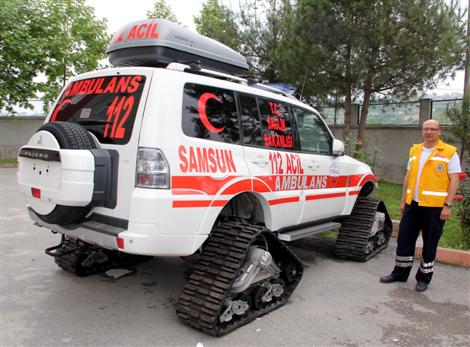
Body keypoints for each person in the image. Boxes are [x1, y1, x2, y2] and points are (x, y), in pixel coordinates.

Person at [380, 119, 461, 292]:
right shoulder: (415, 150)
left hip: (435, 207)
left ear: (439, 131)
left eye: (433, 129)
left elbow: (454, 180)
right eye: (426, 129)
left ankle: (424, 278)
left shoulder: (449, 153)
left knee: (430, 242)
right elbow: (408, 177)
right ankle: (400, 273)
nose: (429, 132)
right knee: (404, 239)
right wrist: (403, 199)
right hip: (413, 205)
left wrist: (448, 205)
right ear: (422, 131)